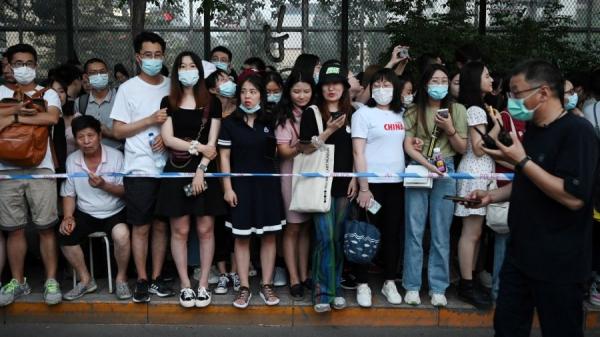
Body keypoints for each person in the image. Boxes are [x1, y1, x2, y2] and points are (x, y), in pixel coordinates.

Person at [467, 59, 599, 337]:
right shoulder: (535, 130)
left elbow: (573, 198)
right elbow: (530, 181)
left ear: (543, 92)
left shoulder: (578, 132)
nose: (511, 99)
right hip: (520, 255)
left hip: (560, 262)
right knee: (507, 327)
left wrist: (522, 161)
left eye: (516, 92)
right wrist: (491, 195)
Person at [155, 51, 225, 308]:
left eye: (191, 66)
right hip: (176, 169)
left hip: (204, 171)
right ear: (176, 72)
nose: (187, 70)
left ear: (199, 71)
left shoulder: (212, 102)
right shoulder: (168, 100)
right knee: (180, 230)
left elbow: (213, 146)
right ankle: (185, 284)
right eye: (182, 66)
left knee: (206, 229)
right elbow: (169, 139)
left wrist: (201, 170)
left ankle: (204, 283)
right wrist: (197, 146)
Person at [110, 31, 173, 303]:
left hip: (168, 167)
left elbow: (183, 123)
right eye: (147, 55)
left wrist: (167, 136)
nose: (153, 60)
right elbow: (117, 131)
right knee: (141, 226)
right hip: (138, 169)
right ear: (138, 58)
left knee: (161, 225)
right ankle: (142, 279)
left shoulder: (173, 86)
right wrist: (149, 121)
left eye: (158, 55)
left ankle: (158, 277)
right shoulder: (127, 89)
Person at [0, 43, 63, 306]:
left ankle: (51, 280)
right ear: (9, 66)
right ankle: (18, 281)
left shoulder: (48, 93)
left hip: (41, 167)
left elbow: (51, 119)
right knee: (14, 229)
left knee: (46, 227)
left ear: (36, 65)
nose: (23, 68)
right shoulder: (1, 91)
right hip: (6, 171)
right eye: (18, 63)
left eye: (28, 63)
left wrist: (10, 117)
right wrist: (20, 115)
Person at [402, 64, 468, 307]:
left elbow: (462, 148)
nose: (439, 84)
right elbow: (408, 146)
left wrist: (449, 129)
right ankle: (412, 286)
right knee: (414, 229)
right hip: (419, 168)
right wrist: (430, 167)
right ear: (425, 83)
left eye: (443, 80)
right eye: (434, 80)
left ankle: (438, 287)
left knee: (441, 231)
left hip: (447, 168)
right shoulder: (412, 110)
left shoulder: (458, 110)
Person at [218, 74, 285, 309]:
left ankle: (267, 284)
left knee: (269, 236)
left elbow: (278, 152)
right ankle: (244, 287)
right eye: (244, 92)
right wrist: (227, 187)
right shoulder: (229, 123)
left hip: (268, 187)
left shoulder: (271, 121)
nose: (248, 97)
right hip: (240, 189)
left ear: (262, 95)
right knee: (242, 237)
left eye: (253, 92)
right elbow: (224, 157)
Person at [299, 61, 357, 312]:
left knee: (338, 237)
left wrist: (356, 177)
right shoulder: (312, 112)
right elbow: (304, 148)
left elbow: (357, 150)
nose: (331, 89)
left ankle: (336, 288)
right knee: (324, 237)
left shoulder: (354, 112)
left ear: (344, 87)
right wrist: (328, 131)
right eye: (326, 84)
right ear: (320, 88)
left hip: (345, 184)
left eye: (336, 84)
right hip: (319, 184)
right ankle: (323, 293)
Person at [58, 115, 131, 301]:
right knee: (66, 234)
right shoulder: (72, 160)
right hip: (86, 212)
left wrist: (104, 186)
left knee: (122, 235)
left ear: (99, 135)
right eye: (81, 137)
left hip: (114, 211)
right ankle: (86, 280)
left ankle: (121, 278)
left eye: (90, 135)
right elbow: (69, 193)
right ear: (75, 139)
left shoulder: (116, 156)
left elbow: (125, 191)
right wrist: (68, 216)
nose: (86, 141)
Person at [352, 68, 407, 306]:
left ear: (395, 89)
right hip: (371, 185)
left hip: (396, 183)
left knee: (391, 234)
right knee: (365, 235)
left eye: (386, 85)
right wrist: (364, 187)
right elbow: (358, 151)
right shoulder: (363, 115)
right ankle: (362, 283)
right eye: (377, 85)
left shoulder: (401, 114)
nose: (381, 90)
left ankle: (389, 281)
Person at [454, 61, 497, 310]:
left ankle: (469, 280)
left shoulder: (478, 107)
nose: (491, 79)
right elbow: (479, 149)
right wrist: (498, 124)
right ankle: (467, 284)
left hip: (477, 172)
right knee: (471, 232)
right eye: (487, 75)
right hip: (475, 172)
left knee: (476, 232)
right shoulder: (477, 111)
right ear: (474, 80)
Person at [274, 70, 314, 299]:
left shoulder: (315, 112)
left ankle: (304, 273)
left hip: (312, 178)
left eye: (306, 91)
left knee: (306, 227)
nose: (301, 96)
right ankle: (293, 278)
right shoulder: (285, 117)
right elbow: (284, 151)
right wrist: (303, 144)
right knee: (292, 228)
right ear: (289, 93)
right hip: (290, 177)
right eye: (296, 91)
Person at [75, 58, 122, 150]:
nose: (99, 75)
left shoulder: (120, 97)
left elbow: (132, 132)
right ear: (86, 77)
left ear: (108, 74)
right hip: (90, 157)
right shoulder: (80, 102)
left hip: (119, 155)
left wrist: (109, 133)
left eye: (102, 72)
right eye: (93, 73)